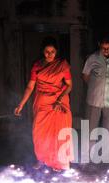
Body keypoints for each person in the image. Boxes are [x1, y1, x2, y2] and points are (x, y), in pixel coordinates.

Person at [14, 37, 73, 171]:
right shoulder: (37, 66)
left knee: (59, 133)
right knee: (39, 133)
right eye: (47, 51)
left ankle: (59, 162)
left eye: (52, 51)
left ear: (56, 52)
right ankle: (42, 159)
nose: (50, 54)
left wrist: (59, 99)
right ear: (43, 51)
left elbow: (69, 86)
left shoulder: (62, 65)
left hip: (59, 101)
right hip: (42, 102)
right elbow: (30, 87)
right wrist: (21, 104)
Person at [82, 36, 109, 155]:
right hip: (94, 99)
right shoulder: (92, 58)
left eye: (108, 48)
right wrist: (95, 87)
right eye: (103, 48)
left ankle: (107, 156)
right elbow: (85, 76)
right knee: (91, 128)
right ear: (99, 44)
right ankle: (88, 155)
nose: (106, 50)